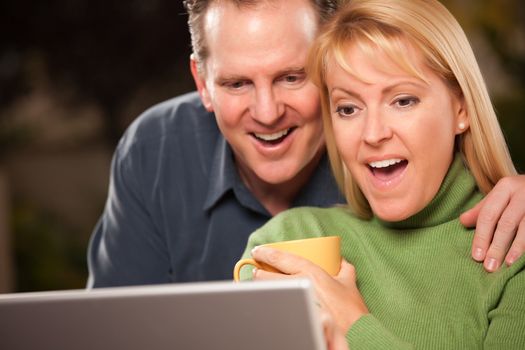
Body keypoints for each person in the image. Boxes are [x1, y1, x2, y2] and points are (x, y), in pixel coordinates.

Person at [87, 0, 525, 287]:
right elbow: (113, 326)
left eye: (292, 77)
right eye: (237, 83)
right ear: (203, 83)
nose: (267, 111)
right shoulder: (154, 149)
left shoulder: (385, 161)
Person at [240, 0, 525, 348]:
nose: (372, 133)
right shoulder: (292, 240)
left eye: (402, 101)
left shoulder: (513, 250)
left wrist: (354, 322)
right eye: (348, 108)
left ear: (461, 108)